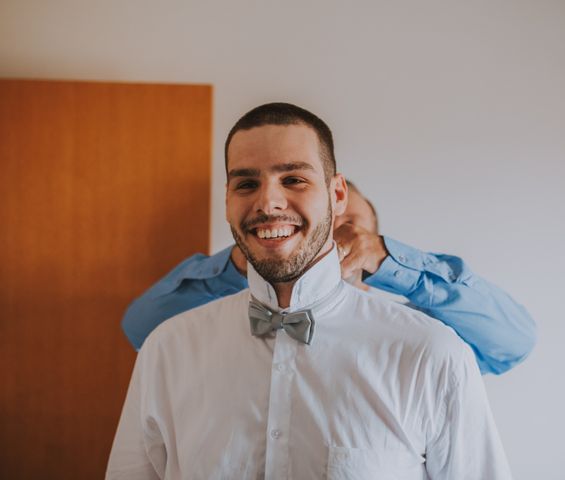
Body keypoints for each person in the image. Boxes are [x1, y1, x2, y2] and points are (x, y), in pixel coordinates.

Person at [107, 102, 512, 478]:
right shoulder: (167, 350)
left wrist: (388, 259)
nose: (269, 203)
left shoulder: (430, 352)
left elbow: (512, 341)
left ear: (337, 197)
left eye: (294, 179)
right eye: (246, 184)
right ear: (228, 198)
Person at [121, 181, 535, 376]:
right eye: (321, 223)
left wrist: (394, 264)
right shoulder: (218, 326)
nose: (328, 237)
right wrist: (242, 261)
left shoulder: (414, 339)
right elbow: (140, 329)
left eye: (348, 225)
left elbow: (511, 343)